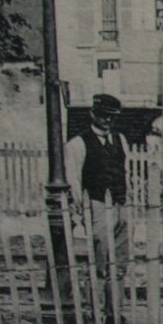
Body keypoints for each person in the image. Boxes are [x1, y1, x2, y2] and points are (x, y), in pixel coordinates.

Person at [63, 93, 131, 302]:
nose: (107, 120)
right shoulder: (77, 144)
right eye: (103, 115)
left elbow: (124, 170)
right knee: (101, 257)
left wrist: (125, 197)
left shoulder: (120, 140)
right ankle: (97, 309)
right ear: (93, 114)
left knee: (119, 259)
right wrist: (81, 211)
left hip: (120, 203)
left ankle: (115, 311)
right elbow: (74, 180)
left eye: (112, 116)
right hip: (97, 203)